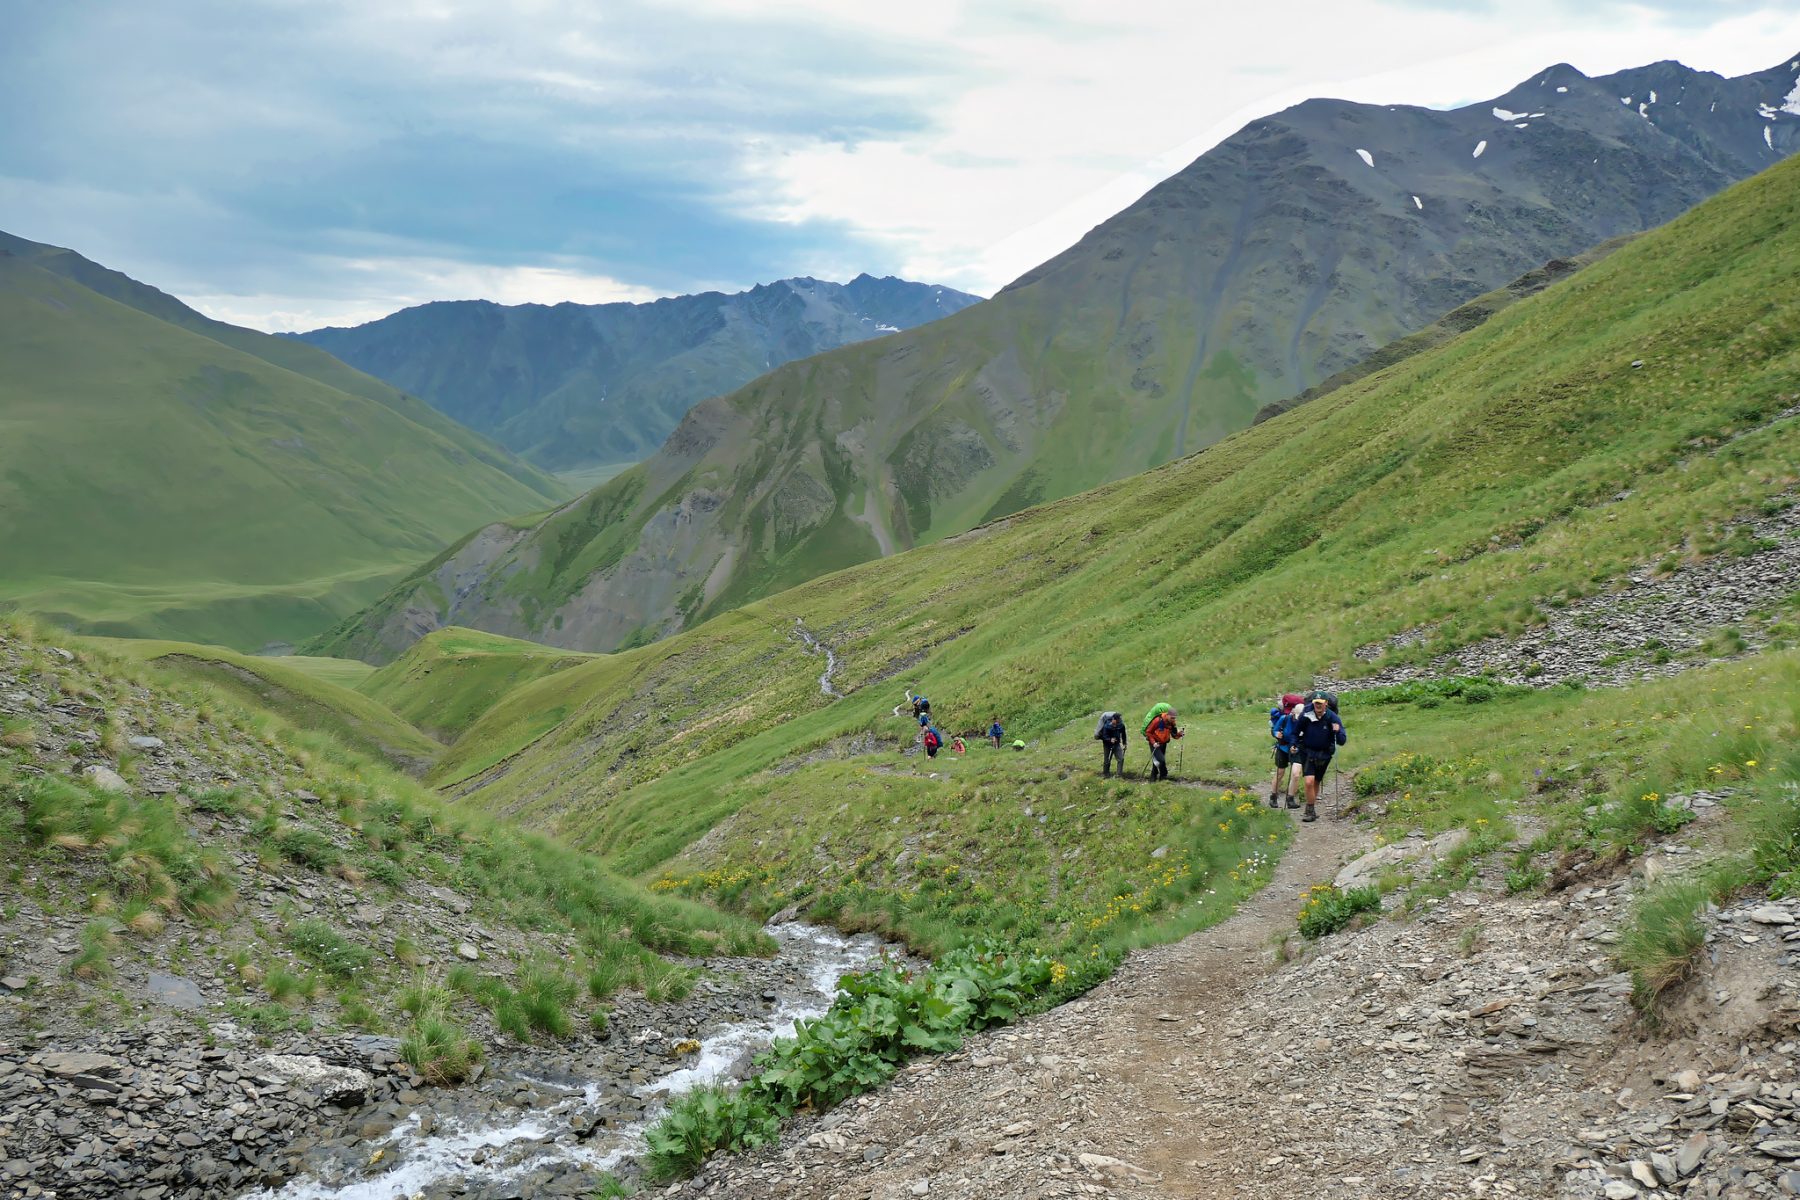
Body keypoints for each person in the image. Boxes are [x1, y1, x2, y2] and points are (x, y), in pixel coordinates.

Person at [1290, 694, 1347, 822]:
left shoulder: (1333, 718)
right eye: (1316, 702)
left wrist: (1337, 731)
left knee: (1316, 782)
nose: (1318, 705)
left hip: (1324, 755)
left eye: (1320, 703)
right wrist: (1293, 744)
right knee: (1309, 781)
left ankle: (1311, 807)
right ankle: (1309, 811)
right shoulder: (1306, 715)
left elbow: (1342, 741)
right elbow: (1295, 732)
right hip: (1307, 752)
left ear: (1326, 703)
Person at [1268, 693, 1304, 809]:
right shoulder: (1284, 719)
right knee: (1280, 773)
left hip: (1296, 749)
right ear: (1293, 713)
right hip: (1283, 748)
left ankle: (1290, 799)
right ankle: (1273, 796)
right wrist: (1276, 734)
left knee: (1296, 774)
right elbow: (1274, 730)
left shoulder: (1305, 722)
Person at [1144, 708, 1182, 782]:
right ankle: (1164, 775)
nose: (1173, 720)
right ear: (1167, 715)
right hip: (1155, 743)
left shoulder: (1172, 723)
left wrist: (1180, 734)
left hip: (1163, 743)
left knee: (1158, 760)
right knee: (1161, 759)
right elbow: (1148, 732)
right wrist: (1153, 742)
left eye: (1174, 718)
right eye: (1172, 718)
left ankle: (1154, 778)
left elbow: (1174, 735)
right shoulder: (1157, 721)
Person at [1095, 711, 1128, 777]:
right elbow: (1104, 736)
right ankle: (1106, 774)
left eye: (1119, 720)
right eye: (1116, 720)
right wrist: (1110, 740)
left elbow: (1123, 734)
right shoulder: (1106, 726)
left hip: (1116, 744)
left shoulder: (1121, 725)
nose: (1118, 722)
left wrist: (1124, 743)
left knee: (1121, 758)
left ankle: (1119, 775)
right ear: (1113, 719)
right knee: (1107, 759)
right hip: (1107, 744)